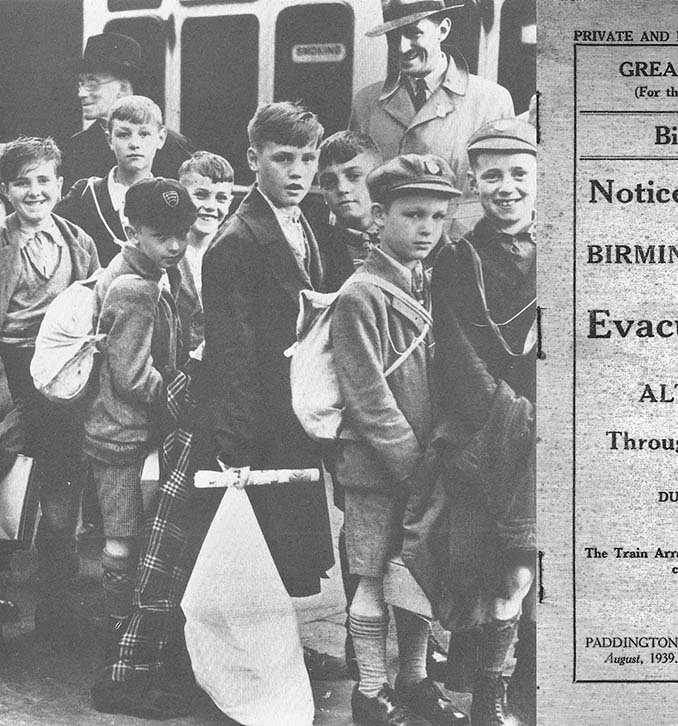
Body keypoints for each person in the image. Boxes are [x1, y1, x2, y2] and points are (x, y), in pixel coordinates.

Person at [200, 101, 342, 679]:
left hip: (294, 412)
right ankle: (254, 662)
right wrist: (235, 443)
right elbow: (231, 352)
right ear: (253, 159)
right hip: (258, 420)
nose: (299, 172)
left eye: (308, 159)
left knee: (285, 545)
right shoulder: (235, 240)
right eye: (284, 158)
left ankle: (280, 648)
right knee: (260, 542)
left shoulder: (304, 222)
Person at [330, 154, 466, 726]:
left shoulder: (430, 283)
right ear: (379, 215)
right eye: (413, 214)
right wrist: (416, 466)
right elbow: (368, 399)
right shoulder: (362, 294)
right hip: (376, 467)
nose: (427, 229)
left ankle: (413, 680)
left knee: (414, 575)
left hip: (425, 464)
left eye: (438, 216)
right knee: (369, 577)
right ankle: (370, 691)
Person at [430, 119, 537, 726]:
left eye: (520, 174)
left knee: (522, 567)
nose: (507, 188)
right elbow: (456, 353)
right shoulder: (457, 260)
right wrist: (515, 415)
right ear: (474, 181)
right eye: (492, 175)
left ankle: (496, 696)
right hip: (484, 435)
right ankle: (482, 693)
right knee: (489, 569)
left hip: (541, 437)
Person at [82, 177, 195, 660]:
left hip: (128, 427)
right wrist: (178, 395)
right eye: (160, 234)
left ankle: (128, 621)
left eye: (182, 233)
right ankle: (117, 629)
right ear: (132, 230)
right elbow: (131, 376)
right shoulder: (135, 286)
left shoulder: (144, 269)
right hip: (121, 432)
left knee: (133, 532)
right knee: (123, 538)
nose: (174, 245)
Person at [0, 137, 101, 641]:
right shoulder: (1, 246)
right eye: (22, 182)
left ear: (60, 186)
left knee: (63, 485)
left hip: (63, 374)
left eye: (44, 180)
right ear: (5, 191)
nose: (34, 191)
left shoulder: (78, 241)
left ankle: (56, 604)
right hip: (12, 374)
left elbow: (91, 308)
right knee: (6, 486)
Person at [349, 0, 514, 197]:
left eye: (413, 33)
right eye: (393, 36)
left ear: (443, 30)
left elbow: (505, 189)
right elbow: (352, 183)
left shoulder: (492, 101)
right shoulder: (366, 103)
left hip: (460, 228)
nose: (402, 47)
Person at [62, 32, 192, 187]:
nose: (81, 93)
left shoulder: (173, 146)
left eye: (92, 83)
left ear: (123, 88)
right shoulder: (76, 149)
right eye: (81, 84)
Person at [55, 95, 169, 265]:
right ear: (109, 139)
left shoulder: (170, 197)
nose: (135, 144)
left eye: (144, 134)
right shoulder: (86, 194)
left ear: (161, 138)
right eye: (124, 135)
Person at [175, 151, 235, 355]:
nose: (210, 206)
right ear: (181, 194)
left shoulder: (236, 254)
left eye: (221, 198)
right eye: (201, 195)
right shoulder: (164, 254)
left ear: (230, 202)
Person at [315, 130, 383, 291]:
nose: (342, 188)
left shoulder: (403, 237)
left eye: (353, 176)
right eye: (329, 181)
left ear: (378, 179)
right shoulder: (317, 251)